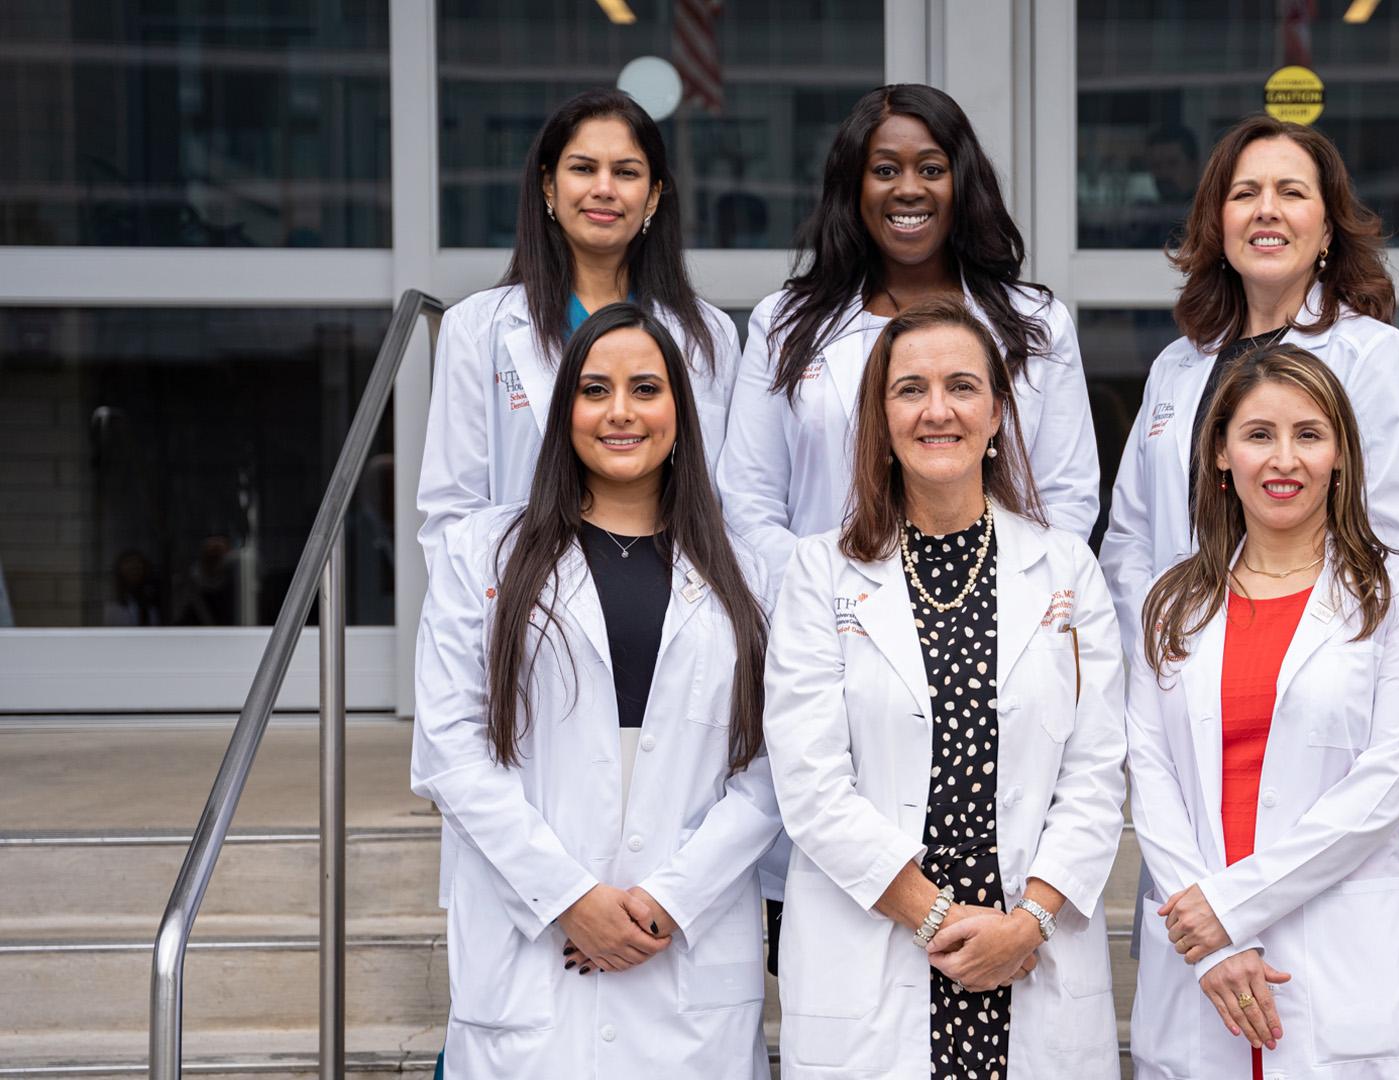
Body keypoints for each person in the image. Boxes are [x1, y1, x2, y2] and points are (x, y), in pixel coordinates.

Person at [412, 304, 781, 1079]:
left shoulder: (752, 573)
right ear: (563, 411)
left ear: (680, 411)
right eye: (594, 390)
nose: (621, 412)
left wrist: (666, 900)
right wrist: (569, 896)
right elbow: (449, 752)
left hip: (686, 962)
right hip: (530, 960)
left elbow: (774, 771)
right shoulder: (482, 552)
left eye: (645, 389)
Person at [761, 298, 1127, 1078]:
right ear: (880, 417)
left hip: (1024, 950)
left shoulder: (1066, 569)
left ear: (997, 412)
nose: (938, 411)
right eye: (909, 389)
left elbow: (1095, 772)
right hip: (886, 933)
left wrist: (1025, 924)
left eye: (963, 387)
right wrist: (937, 919)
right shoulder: (818, 572)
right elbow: (810, 783)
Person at [1125, 343, 1399, 1080]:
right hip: (1199, 962)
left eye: (1309, 434)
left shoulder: (1398, 597)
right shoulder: (1170, 603)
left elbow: (1385, 787)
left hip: (1331, 962)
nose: (1284, 460)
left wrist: (1227, 912)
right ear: (1219, 454)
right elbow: (1150, 773)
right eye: (1259, 434)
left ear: (1340, 456)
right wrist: (1214, 938)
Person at [718, 82, 1100, 596]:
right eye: (884, 170)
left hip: (994, 615)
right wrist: (829, 595)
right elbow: (749, 499)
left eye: (931, 168)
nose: (909, 188)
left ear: (962, 183)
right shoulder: (785, 324)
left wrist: (990, 601)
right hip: (826, 621)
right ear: (853, 187)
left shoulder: (1033, 322)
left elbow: (1065, 496)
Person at [1101, 115, 1399, 656]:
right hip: (1172, 662)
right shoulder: (1175, 365)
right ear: (1220, 224)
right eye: (1245, 193)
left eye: (1292, 192)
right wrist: (1155, 637)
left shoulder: (1371, 353)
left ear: (1326, 230)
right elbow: (1130, 536)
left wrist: (1289, 652)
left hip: (1308, 660)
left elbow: (1381, 536)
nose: (1266, 208)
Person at [419, 87, 739, 564]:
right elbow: (453, 512)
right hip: (526, 606)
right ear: (548, 186)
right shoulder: (477, 328)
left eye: (626, 172)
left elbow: (724, 500)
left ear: (653, 196)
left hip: (671, 600)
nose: (604, 188)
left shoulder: (707, 335)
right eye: (583, 169)